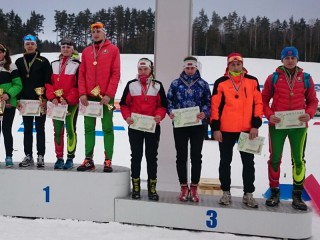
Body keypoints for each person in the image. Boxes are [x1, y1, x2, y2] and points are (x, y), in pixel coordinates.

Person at [262, 46, 318, 211]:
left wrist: (309, 113)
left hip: (298, 127)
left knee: (298, 160)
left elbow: (313, 101)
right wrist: (269, 114)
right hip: (277, 125)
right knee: (274, 159)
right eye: (287, 58)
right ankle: (274, 192)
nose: (290, 60)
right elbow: (263, 100)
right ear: (282, 60)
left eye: (293, 57)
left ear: (297, 59)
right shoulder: (273, 78)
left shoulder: (306, 78)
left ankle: (297, 195)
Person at [210, 52, 263, 208]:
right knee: (225, 162)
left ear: (242, 65)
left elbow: (258, 104)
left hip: (247, 130)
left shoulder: (252, 81)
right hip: (226, 130)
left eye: (238, 64)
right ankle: (226, 192)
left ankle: (248, 194)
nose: (235, 66)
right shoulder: (221, 82)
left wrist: (255, 125)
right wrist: (215, 128)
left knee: (248, 163)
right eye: (232, 64)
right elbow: (215, 107)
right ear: (228, 66)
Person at [120, 58, 167, 201]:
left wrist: (159, 115)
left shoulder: (157, 86)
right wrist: (127, 117)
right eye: (140, 69)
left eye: (145, 69)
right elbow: (124, 104)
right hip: (135, 127)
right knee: (136, 156)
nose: (142, 72)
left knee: (151, 157)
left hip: (152, 127)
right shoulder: (131, 85)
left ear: (150, 70)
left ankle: (152, 188)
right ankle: (136, 187)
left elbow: (163, 105)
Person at [167, 56, 211, 202]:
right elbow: (168, 101)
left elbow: (208, 102)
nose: (190, 70)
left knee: (196, 156)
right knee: (181, 155)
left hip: (198, 125)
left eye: (192, 68)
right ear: (183, 68)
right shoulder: (175, 83)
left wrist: (204, 112)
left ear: (196, 67)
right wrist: (171, 111)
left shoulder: (203, 84)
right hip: (180, 125)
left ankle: (194, 187)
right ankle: (183, 186)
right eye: (188, 68)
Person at [78, 22, 120, 172]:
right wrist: (82, 93)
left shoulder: (113, 50)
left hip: (105, 97)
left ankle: (108, 159)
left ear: (104, 33)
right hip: (89, 97)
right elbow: (82, 73)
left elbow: (116, 73)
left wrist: (109, 94)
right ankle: (88, 159)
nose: (95, 34)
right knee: (88, 128)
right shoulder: (86, 51)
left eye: (98, 31)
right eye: (93, 31)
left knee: (107, 128)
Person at [15, 34, 52, 168]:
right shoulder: (19, 61)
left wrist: (46, 99)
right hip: (25, 101)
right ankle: (28, 155)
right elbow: (17, 82)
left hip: (40, 101)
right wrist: (17, 99)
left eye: (32, 44)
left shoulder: (43, 61)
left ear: (36, 45)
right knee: (27, 130)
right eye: (27, 44)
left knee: (40, 129)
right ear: (24, 45)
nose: (29, 46)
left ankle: (40, 155)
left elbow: (48, 80)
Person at [45, 38, 80, 170]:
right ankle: (59, 158)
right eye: (63, 46)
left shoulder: (77, 65)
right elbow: (48, 83)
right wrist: (52, 97)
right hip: (56, 104)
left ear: (72, 49)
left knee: (71, 129)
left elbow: (78, 85)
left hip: (70, 104)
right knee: (57, 131)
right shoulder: (53, 64)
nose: (65, 49)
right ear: (61, 48)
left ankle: (70, 158)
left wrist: (68, 99)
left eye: (68, 47)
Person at [0, 43, 22, 167]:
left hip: (8, 103)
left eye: (0, 52)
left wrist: (8, 94)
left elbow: (18, 85)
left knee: (6, 130)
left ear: (4, 53)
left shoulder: (11, 67)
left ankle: (9, 156)